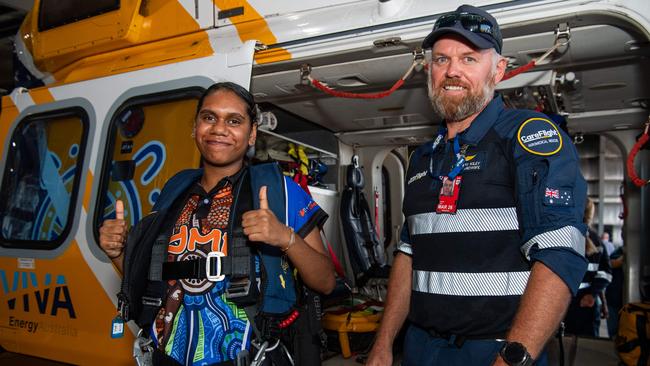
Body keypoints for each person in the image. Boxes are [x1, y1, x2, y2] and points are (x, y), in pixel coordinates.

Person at [366, 5, 588, 366]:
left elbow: (559, 254)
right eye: (441, 59)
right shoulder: (422, 158)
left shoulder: (526, 136)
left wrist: (512, 358)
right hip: (421, 348)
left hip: (496, 350)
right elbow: (409, 255)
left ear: (498, 70)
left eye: (469, 58)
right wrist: (383, 342)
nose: (452, 70)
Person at [99, 82, 335, 365]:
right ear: (195, 127)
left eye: (234, 121)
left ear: (251, 135)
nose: (219, 128)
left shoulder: (279, 191)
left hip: (247, 357)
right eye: (209, 117)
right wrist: (118, 253)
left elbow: (326, 281)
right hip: (165, 357)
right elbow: (151, 279)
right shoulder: (174, 191)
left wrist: (285, 237)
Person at [564, 198, 612, 338]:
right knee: (588, 348)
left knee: (563, 348)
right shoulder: (597, 241)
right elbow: (605, 273)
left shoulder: (563, 237)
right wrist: (593, 294)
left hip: (565, 304)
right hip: (588, 305)